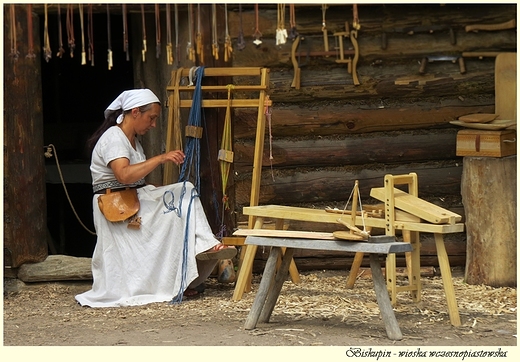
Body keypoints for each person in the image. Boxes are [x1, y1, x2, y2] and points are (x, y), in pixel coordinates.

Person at [75, 88, 236, 307]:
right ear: (134, 112)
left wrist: (162, 193)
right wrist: (161, 158)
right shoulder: (114, 137)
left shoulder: (133, 141)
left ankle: (184, 276)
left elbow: (137, 182)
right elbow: (123, 175)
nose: (152, 125)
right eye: (151, 118)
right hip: (116, 207)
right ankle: (200, 253)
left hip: (134, 200)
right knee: (184, 192)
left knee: (184, 194)